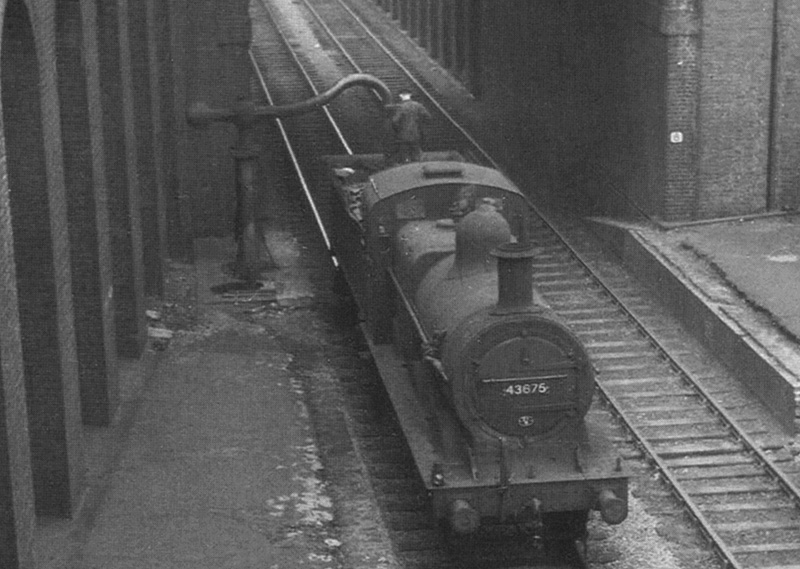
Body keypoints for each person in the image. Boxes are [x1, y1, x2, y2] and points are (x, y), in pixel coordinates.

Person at [389, 90, 431, 164]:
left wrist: (397, 130)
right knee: (417, 156)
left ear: (400, 96)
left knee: (405, 157)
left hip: (403, 135)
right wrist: (419, 123)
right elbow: (427, 117)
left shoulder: (400, 107)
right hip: (416, 134)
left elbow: (394, 121)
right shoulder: (418, 105)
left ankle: (407, 164)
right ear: (410, 95)